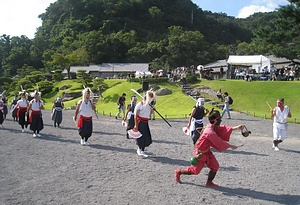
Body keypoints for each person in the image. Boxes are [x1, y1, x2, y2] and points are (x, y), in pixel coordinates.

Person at [174, 109, 245, 187]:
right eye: (219, 119)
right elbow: (218, 141)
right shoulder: (209, 132)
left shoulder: (212, 126)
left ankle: (209, 182)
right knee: (195, 171)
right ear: (214, 120)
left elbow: (222, 129)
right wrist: (230, 146)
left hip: (207, 151)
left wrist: (236, 128)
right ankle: (178, 172)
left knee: (215, 166)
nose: (220, 121)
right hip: (199, 153)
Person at [133, 90, 156, 157]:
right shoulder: (140, 105)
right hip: (140, 122)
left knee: (146, 137)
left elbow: (149, 113)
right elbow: (135, 115)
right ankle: (139, 150)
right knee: (141, 137)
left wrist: (152, 109)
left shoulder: (149, 105)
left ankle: (142, 150)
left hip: (146, 122)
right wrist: (136, 124)